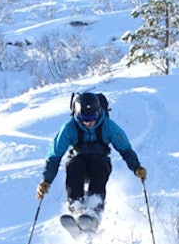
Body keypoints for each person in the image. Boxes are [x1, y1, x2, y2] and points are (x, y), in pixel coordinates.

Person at [37, 92, 146, 233]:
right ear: (77, 114)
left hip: (100, 161)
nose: (89, 122)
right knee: (74, 166)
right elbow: (54, 155)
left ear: (98, 112)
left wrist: (136, 167)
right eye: (84, 118)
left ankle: (94, 215)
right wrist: (46, 180)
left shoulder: (108, 126)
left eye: (92, 117)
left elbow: (125, 148)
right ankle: (77, 208)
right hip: (79, 161)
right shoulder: (69, 127)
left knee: (99, 167)